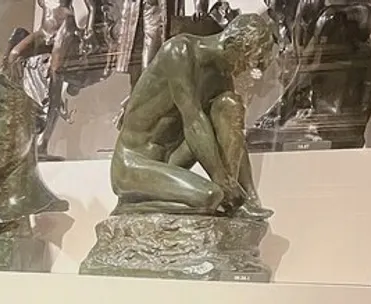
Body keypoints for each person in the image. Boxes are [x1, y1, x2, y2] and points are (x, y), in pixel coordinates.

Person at [111, 13, 274, 218]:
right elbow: (194, 121)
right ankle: (131, 206)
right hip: (134, 164)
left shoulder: (221, 73)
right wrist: (220, 180)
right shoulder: (180, 52)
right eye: (244, 63)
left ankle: (232, 199)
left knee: (229, 105)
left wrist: (249, 195)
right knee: (210, 195)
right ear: (231, 44)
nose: (242, 72)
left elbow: (234, 133)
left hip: (170, 162)